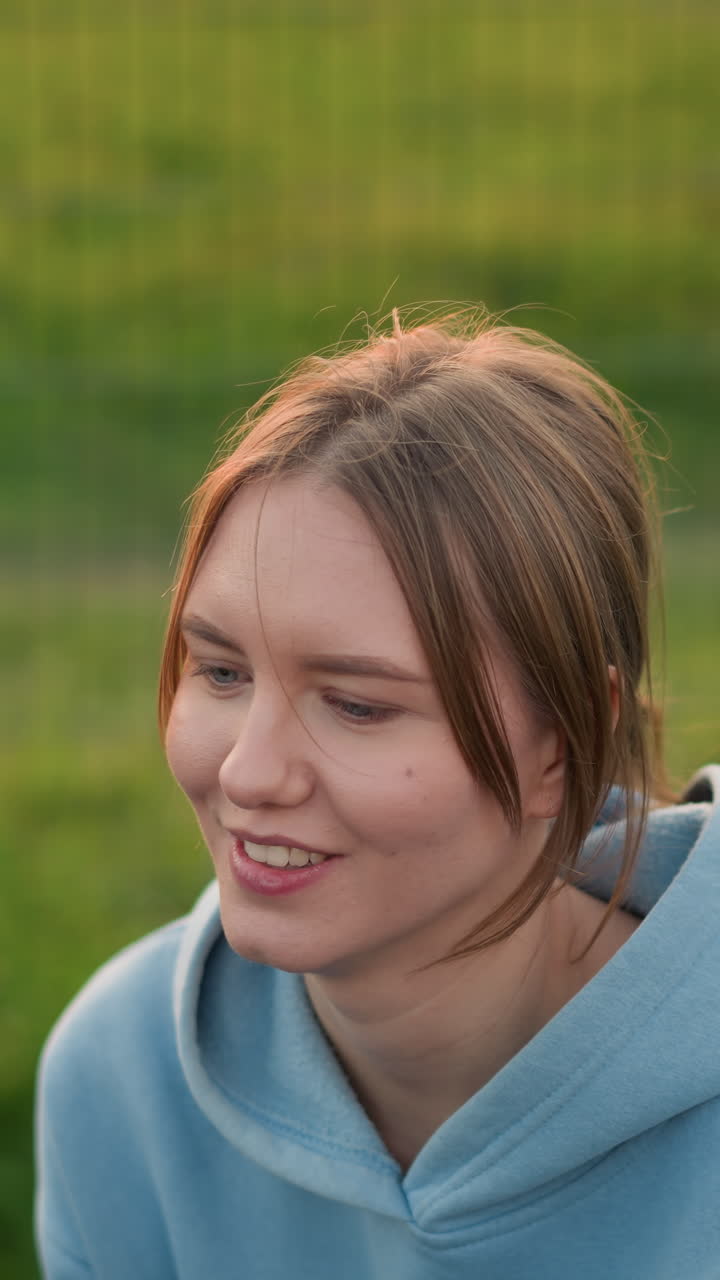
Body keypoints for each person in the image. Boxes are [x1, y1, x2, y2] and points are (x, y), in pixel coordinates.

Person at [35, 309, 720, 1278]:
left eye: (356, 703)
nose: (246, 772)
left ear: (562, 745)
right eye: (222, 671)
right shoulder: (122, 1083)